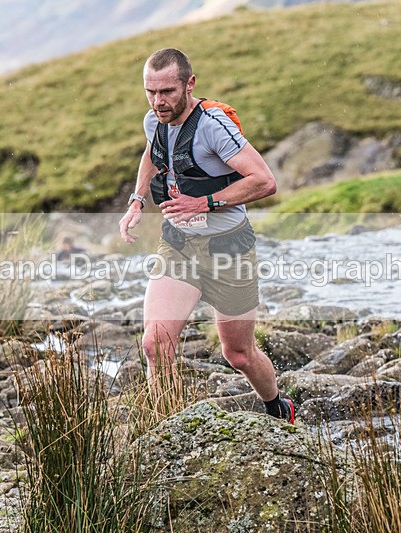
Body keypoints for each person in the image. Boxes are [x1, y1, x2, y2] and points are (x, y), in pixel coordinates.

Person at [118, 48, 294, 423]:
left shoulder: (213, 126)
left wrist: (205, 203)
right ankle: (170, 435)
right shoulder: (154, 120)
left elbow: (265, 181)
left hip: (229, 249)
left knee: (238, 354)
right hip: (179, 244)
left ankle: (278, 406)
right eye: (150, 92)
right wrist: (137, 200)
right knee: (154, 345)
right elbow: (154, 152)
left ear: (189, 84)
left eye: (166, 91)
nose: (158, 101)